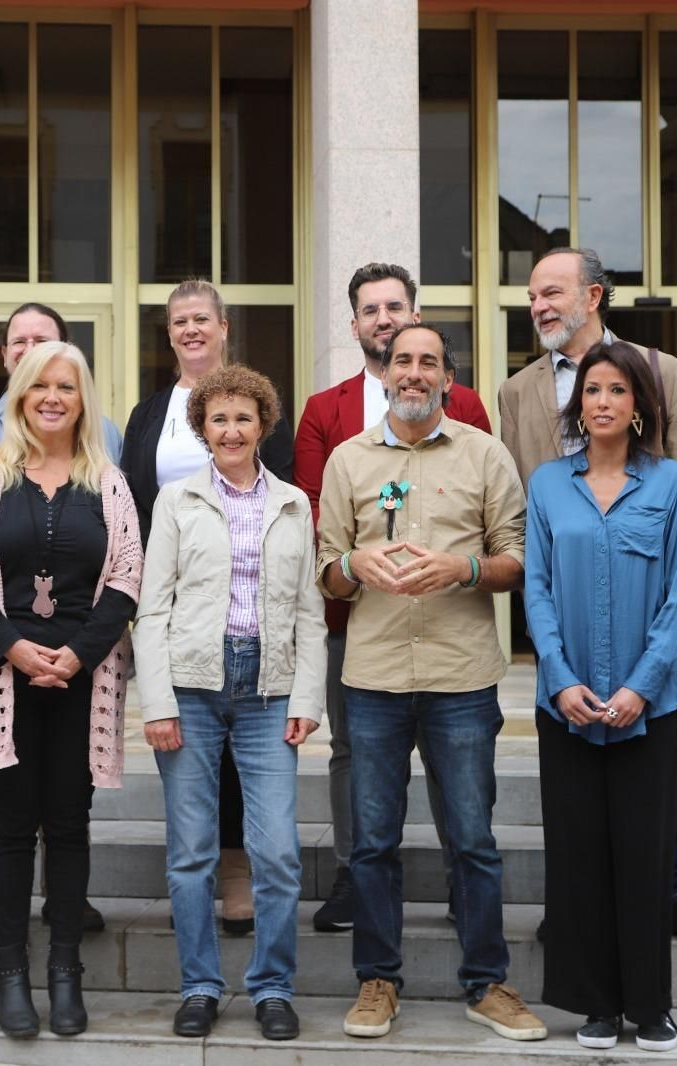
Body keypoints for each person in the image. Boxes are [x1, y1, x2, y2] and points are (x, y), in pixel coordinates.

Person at [495, 246, 677, 951]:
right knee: (570, 749)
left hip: (643, 584)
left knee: (661, 747)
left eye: (551, 292)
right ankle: (578, 898)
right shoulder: (516, 392)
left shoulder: (658, 371)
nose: (538, 305)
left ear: (593, 296)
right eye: (532, 295)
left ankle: (676, 890)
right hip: (565, 594)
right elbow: (521, 500)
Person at [315, 323, 545, 1043]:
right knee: (374, 842)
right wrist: (355, 567)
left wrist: (463, 569)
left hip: (461, 675)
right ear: (384, 374)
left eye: (429, 363)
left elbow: (517, 558)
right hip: (375, 677)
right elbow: (324, 570)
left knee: (473, 840)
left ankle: (488, 984)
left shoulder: (485, 454)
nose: (413, 372)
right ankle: (377, 982)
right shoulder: (349, 460)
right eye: (402, 360)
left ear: (449, 378)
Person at [0, 342, 142, 1039]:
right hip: (4, 675)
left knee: (69, 822)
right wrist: (15, 650)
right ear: (20, 394)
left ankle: (64, 974)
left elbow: (124, 580)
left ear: (83, 400)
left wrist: (77, 658)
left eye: (67, 387)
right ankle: (11, 974)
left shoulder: (107, 481)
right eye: (40, 386)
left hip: (80, 680)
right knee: (14, 826)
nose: (53, 397)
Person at [294, 261, 492, 934]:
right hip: (360, 617)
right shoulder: (326, 411)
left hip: (448, 624)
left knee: (450, 753)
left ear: (414, 315)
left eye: (395, 307)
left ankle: (462, 882)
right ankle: (354, 876)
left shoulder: (460, 404)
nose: (383, 318)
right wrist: (356, 563)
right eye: (370, 310)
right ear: (354, 325)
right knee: (353, 751)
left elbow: (487, 508)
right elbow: (316, 508)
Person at [134, 365, 327, 1043]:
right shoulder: (176, 501)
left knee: (276, 853)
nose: (232, 429)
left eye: (244, 417)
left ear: (263, 425)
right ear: (202, 428)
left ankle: (273, 986)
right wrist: (156, 702)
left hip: (268, 694)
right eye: (219, 419)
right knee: (192, 853)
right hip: (190, 689)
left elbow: (310, 612)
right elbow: (152, 609)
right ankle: (201, 986)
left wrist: (307, 696)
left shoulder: (293, 504)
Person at [524, 340, 677, 1053]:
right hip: (563, 706)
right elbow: (535, 589)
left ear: (638, 408)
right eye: (591, 390)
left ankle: (650, 1006)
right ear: (578, 405)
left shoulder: (672, 484)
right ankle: (595, 1004)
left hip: (646, 710)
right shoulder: (545, 484)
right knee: (579, 856)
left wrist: (638, 688)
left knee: (643, 852)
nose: (602, 402)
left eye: (616, 392)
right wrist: (561, 680)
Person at [121, 278, 294, 935]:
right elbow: (132, 506)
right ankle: (197, 876)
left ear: (224, 327)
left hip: (247, 602)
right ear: (169, 335)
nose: (191, 329)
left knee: (235, 748)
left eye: (202, 318)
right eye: (179, 321)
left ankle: (237, 871)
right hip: (175, 601)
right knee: (191, 742)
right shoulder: (149, 415)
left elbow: (283, 494)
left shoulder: (257, 402)